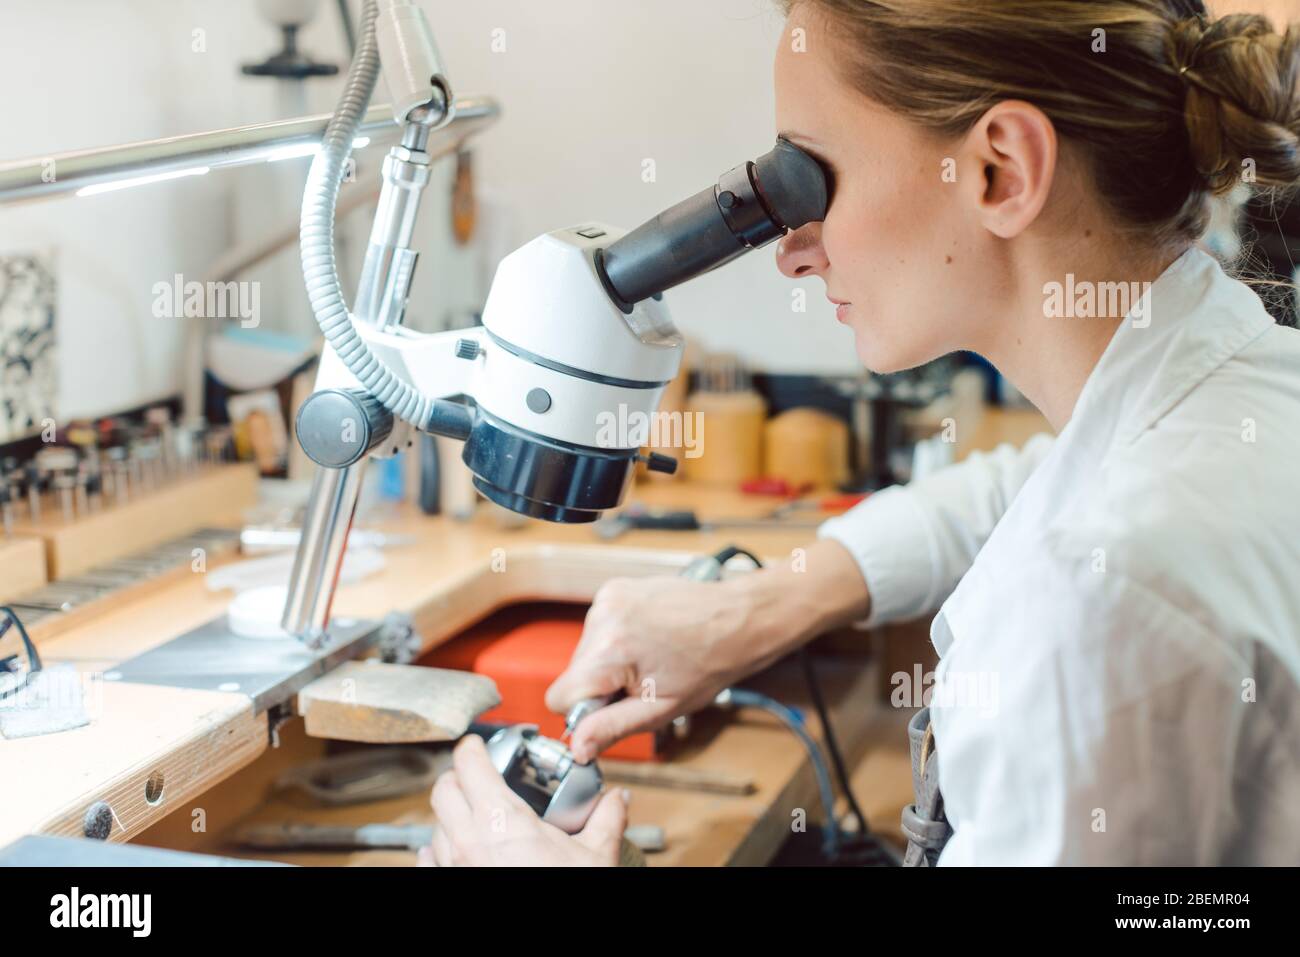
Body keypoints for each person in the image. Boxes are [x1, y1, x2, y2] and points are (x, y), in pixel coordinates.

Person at [423, 0, 1300, 866]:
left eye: (812, 179)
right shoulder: (1240, 394)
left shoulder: (1100, 605)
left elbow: (1090, 557)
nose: (793, 250)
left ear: (1001, 170)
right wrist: (758, 607)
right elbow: (1025, 485)